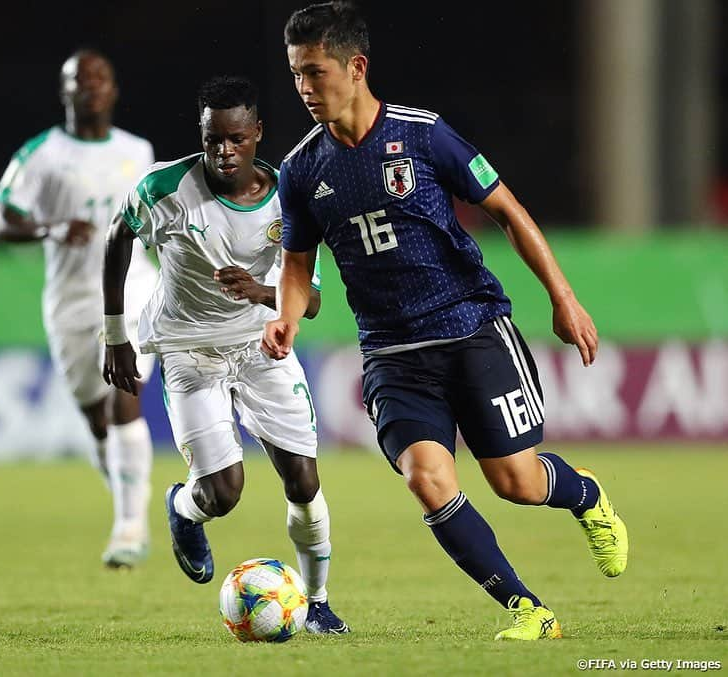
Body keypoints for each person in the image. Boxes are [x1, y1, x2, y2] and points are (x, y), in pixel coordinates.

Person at [263, 1, 629, 641]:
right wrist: (288, 318)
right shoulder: (300, 170)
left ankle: (585, 496)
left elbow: (510, 212)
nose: (303, 89)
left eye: (315, 73)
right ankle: (529, 612)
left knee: (514, 481)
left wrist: (563, 297)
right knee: (427, 480)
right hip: (391, 355)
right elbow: (297, 264)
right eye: (295, 74)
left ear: (356, 66)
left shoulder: (424, 135)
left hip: (473, 330)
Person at [102, 75, 349, 634]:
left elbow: (310, 301)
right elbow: (118, 237)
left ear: (257, 133)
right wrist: (115, 333)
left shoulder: (293, 195)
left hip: (262, 343)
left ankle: (318, 600)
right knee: (224, 492)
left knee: (303, 481)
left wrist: (264, 293)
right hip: (190, 351)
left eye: (236, 138)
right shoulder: (163, 189)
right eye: (213, 138)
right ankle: (184, 509)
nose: (223, 151)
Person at [0, 49, 158, 568]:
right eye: (79, 79)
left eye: (99, 78)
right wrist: (51, 228)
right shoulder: (42, 154)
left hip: (131, 292)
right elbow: (1, 219)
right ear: (64, 91)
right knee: (97, 421)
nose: (90, 86)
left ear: (114, 89)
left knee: (122, 399)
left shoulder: (138, 151)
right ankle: (127, 502)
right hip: (70, 301)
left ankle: (130, 526)